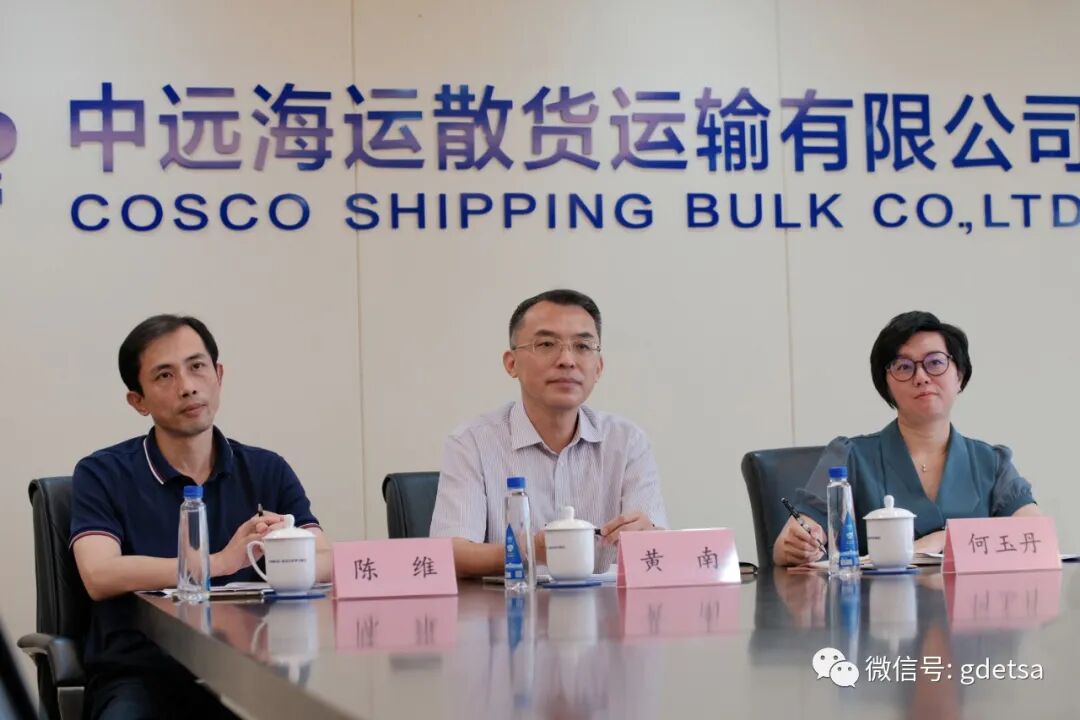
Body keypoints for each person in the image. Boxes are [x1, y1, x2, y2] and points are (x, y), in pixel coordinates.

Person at [70, 314, 333, 719]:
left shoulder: (266, 470)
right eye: (164, 376)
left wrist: (287, 547)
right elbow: (99, 574)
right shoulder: (102, 473)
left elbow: (327, 561)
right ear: (138, 401)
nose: (188, 386)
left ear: (218, 375)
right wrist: (219, 562)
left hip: (250, 672)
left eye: (197, 366)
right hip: (141, 674)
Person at [429, 289, 668, 576]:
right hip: (510, 604)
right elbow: (450, 554)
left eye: (582, 346)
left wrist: (649, 537)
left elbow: (655, 546)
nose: (567, 360)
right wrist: (530, 550)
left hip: (607, 605)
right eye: (546, 344)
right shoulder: (471, 443)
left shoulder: (628, 442)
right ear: (511, 363)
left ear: (599, 367)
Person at [774, 311, 1038, 567]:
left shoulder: (992, 462)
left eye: (935, 363)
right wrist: (797, 546)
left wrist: (944, 539)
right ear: (887, 385)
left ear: (959, 375)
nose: (921, 377)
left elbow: (1035, 538)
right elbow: (786, 545)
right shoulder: (849, 456)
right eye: (904, 367)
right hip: (875, 598)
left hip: (973, 598)